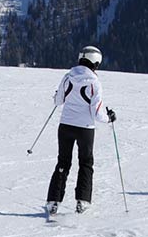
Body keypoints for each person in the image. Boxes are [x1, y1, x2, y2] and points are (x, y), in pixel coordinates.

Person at [46, 46, 113, 217]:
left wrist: (57, 95)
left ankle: (53, 201)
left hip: (65, 126)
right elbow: (97, 114)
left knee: (63, 162)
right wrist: (110, 117)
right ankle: (82, 201)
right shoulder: (94, 83)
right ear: (96, 62)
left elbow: (58, 101)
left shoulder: (67, 77)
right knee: (85, 163)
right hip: (85, 129)